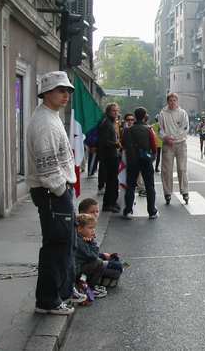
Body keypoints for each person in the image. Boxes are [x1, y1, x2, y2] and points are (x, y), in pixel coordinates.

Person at [27, 71, 86, 315]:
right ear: (47, 93)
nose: (66, 95)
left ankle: (64, 290)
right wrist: (62, 191)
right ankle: (48, 301)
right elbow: (48, 168)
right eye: (61, 90)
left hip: (56, 191)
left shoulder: (51, 116)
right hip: (52, 192)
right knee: (56, 247)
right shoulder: (45, 123)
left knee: (66, 244)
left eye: (68, 91)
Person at [78, 198, 126, 287]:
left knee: (114, 258)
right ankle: (90, 284)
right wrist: (92, 243)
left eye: (97, 211)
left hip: (87, 260)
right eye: (92, 212)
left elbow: (89, 253)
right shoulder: (81, 230)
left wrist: (103, 255)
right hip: (84, 265)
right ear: (82, 213)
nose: (95, 214)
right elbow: (91, 255)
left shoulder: (86, 227)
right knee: (117, 267)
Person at [121, 107, 159, 219]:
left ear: (135, 116)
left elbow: (123, 144)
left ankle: (128, 210)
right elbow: (154, 146)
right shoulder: (148, 129)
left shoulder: (127, 130)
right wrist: (152, 158)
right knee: (149, 186)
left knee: (131, 186)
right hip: (145, 160)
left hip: (132, 160)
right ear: (144, 116)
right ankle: (152, 211)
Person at [159, 93, 190, 205]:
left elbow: (185, 128)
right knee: (167, 170)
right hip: (167, 144)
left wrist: (174, 137)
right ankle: (167, 193)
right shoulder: (162, 113)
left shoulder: (182, 113)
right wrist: (166, 137)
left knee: (182, 168)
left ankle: (185, 191)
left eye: (174, 100)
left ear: (177, 101)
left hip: (181, 143)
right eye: (170, 100)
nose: (172, 102)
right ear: (167, 101)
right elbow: (160, 129)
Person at [98, 103, 121, 213]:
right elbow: (104, 141)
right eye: (113, 111)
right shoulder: (106, 123)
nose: (116, 113)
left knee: (114, 180)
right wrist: (116, 144)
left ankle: (113, 201)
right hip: (109, 156)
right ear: (108, 112)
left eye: (117, 111)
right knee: (111, 181)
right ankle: (108, 204)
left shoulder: (112, 122)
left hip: (114, 155)